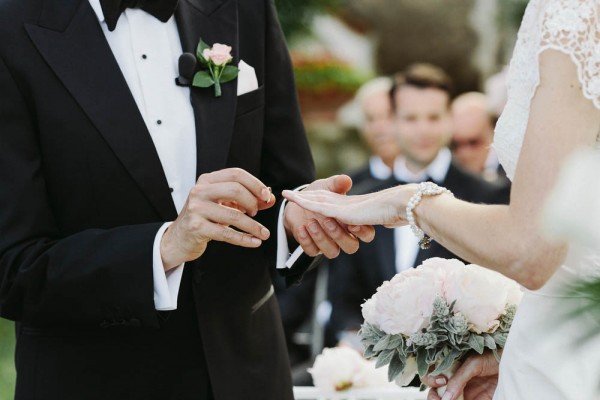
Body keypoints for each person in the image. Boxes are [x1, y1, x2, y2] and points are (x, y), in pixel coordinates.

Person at [0, 1, 374, 399]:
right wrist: (165, 245)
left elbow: (285, 185)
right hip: (94, 380)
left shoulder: (245, 8)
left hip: (248, 375)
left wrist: (295, 219)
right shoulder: (11, 26)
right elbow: (13, 266)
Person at [284, 1, 600, 399]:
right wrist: (509, 352)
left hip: (569, 366)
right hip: (557, 343)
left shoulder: (573, 14)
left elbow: (530, 252)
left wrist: (408, 202)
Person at [328, 65, 509, 350]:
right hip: (374, 364)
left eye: (434, 117)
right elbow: (343, 300)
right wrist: (357, 345)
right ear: (393, 122)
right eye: (411, 118)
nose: (423, 129)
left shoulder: (489, 195)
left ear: (450, 120)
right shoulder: (362, 200)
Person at [450, 92, 508, 185]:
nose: (465, 153)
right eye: (456, 145)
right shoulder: (450, 175)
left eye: (473, 142)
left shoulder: (513, 173)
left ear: (494, 133)